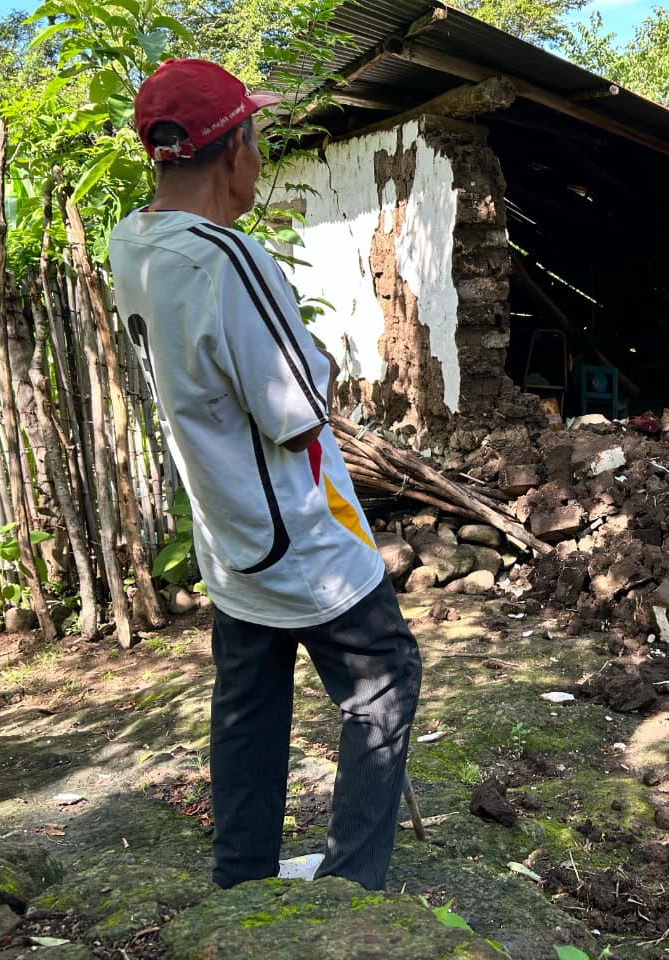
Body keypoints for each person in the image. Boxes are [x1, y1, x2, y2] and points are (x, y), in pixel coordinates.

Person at [108, 58, 422, 891]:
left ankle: (242, 875)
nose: (260, 151)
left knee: (249, 699)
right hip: (302, 536)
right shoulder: (228, 259)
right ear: (232, 149)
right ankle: (353, 886)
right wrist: (313, 355)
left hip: (228, 529)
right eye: (257, 133)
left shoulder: (130, 242)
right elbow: (297, 408)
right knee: (384, 678)